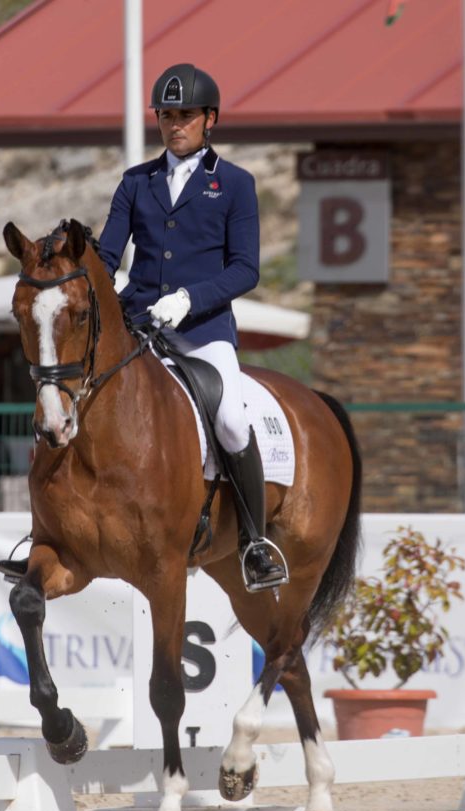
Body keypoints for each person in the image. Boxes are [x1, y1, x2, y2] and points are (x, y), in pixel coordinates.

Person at [98, 62, 286, 591]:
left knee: (229, 419)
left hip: (203, 331)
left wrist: (188, 299)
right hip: (139, 328)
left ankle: (253, 541)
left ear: (210, 119)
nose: (173, 124)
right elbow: (108, 254)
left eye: (184, 115)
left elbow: (245, 268)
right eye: (166, 115)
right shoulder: (136, 182)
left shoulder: (235, 185)